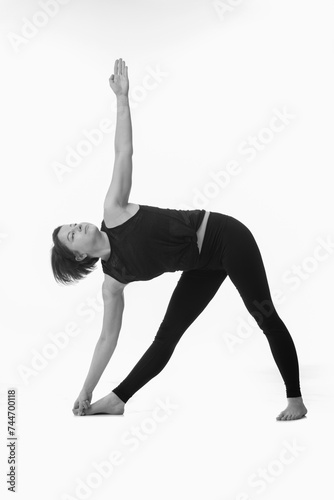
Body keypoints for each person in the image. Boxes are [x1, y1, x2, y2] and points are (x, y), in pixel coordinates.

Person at [50, 58, 308, 421]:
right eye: (71, 235)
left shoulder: (114, 210)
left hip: (225, 236)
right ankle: (117, 398)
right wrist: (86, 389)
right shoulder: (112, 283)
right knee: (166, 337)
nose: (77, 227)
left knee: (262, 314)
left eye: (72, 224)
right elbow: (107, 340)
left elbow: (124, 152)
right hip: (202, 264)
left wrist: (122, 99)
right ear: (78, 256)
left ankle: (295, 399)